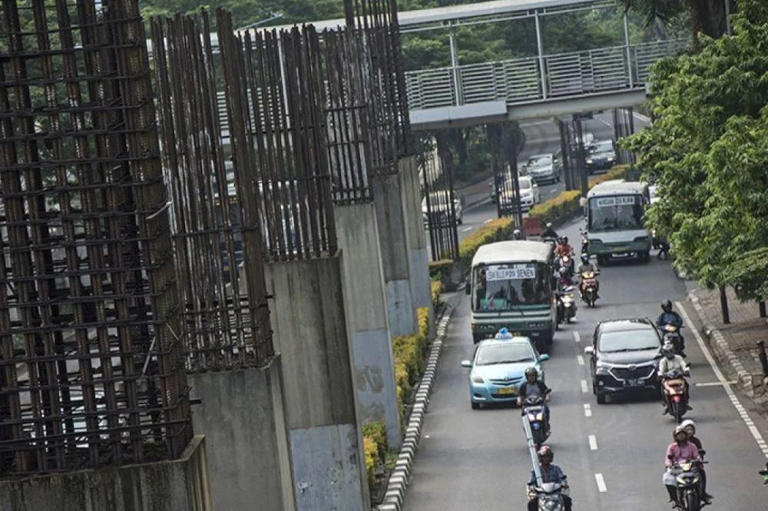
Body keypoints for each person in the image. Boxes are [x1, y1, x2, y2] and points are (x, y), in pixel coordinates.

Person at [663, 425, 701, 506]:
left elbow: (696, 455)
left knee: (701, 475)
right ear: (675, 436)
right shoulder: (672, 447)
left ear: (685, 435)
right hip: (677, 468)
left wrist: (698, 460)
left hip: (690, 466)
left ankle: (702, 494)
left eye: (682, 434)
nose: (681, 436)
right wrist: (669, 464)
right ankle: (674, 498)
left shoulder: (692, 446)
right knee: (667, 478)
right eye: (679, 435)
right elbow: (668, 458)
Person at [527, 446, 572, 511]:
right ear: (541, 458)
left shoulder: (556, 468)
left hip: (555, 493)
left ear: (551, 457)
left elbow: (562, 478)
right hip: (541, 494)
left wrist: (564, 484)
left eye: (548, 456)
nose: (546, 459)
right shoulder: (535, 470)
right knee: (531, 503)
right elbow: (531, 482)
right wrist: (532, 488)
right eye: (544, 457)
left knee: (567, 500)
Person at [680, 419, 712, 504]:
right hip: (682, 465)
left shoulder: (696, 441)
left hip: (694, 464)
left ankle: (703, 494)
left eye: (691, 429)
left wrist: (699, 460)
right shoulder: (679, 441)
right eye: (687, 429)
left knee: (702, 473)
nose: (689, 431)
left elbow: (700, 453)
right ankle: (677, 497)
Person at [658, 342, 691, 415]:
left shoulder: (678, 358)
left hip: (678, 377)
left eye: (670, 351)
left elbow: (683, 365)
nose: (669, 353)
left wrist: (686, 370)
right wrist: (661, 374)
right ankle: (666, 403)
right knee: (662, 387)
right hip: (668, 379)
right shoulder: (663, 361)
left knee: (686, 385)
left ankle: (686, 401)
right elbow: (661, 369)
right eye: (667, 352)